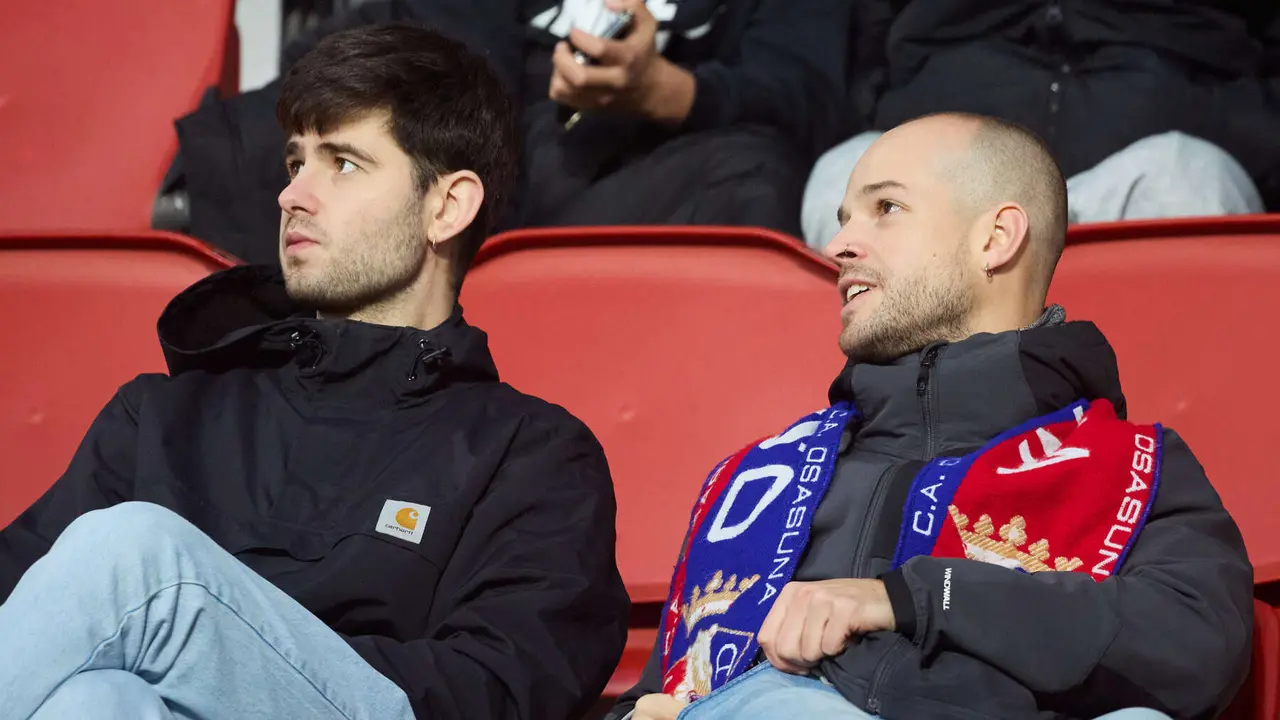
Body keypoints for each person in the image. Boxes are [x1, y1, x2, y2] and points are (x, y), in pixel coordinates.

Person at [0, 24, 628, 720]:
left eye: (343, 164)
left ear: (447, 207)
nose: (293, 195)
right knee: (96, 700)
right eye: (296, 163)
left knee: (131, 554)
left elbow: (505, 688)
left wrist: (248, 649)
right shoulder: (161, 417)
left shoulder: (529, 453)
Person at [607, 113, 1254, 720]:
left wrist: (914, 598)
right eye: (843, 218)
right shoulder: (759, 479)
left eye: (885, 209)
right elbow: (656, 691)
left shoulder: (1134, 463)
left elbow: (1197, 645)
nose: (839, 246)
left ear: (996, 239)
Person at [162, 0, 850, 265]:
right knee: (295, 124)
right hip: (482, 123)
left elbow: (810, 93)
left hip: (656, 159)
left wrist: (660, 90)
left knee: (750, 174)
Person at [802, 0, 1280, 249]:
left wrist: (1252, 132)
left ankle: (1164, 435)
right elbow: (864, 31)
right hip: (946, 171)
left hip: (1149, 172)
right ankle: (891, 433)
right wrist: (880, 106)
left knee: (1193, 181)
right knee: (844, 180)